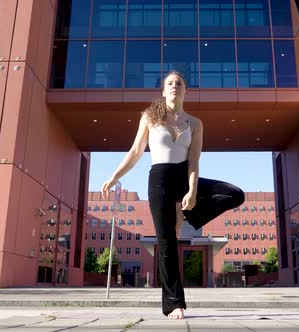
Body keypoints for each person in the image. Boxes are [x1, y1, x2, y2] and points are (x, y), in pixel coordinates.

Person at [101, 71, 245, 319]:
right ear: (163, 91)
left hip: (184, 176)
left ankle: (188, 215)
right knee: (167, 243)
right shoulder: (150, 117)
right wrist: (115, 176)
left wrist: (192, 190)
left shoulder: (195, 123)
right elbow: (136, 151)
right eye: (170, 83)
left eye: (179, 83)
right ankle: (174, 304)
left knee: (235, 194)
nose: (174, 86)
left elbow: (194, 161)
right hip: (160, 179)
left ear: (185, 90)